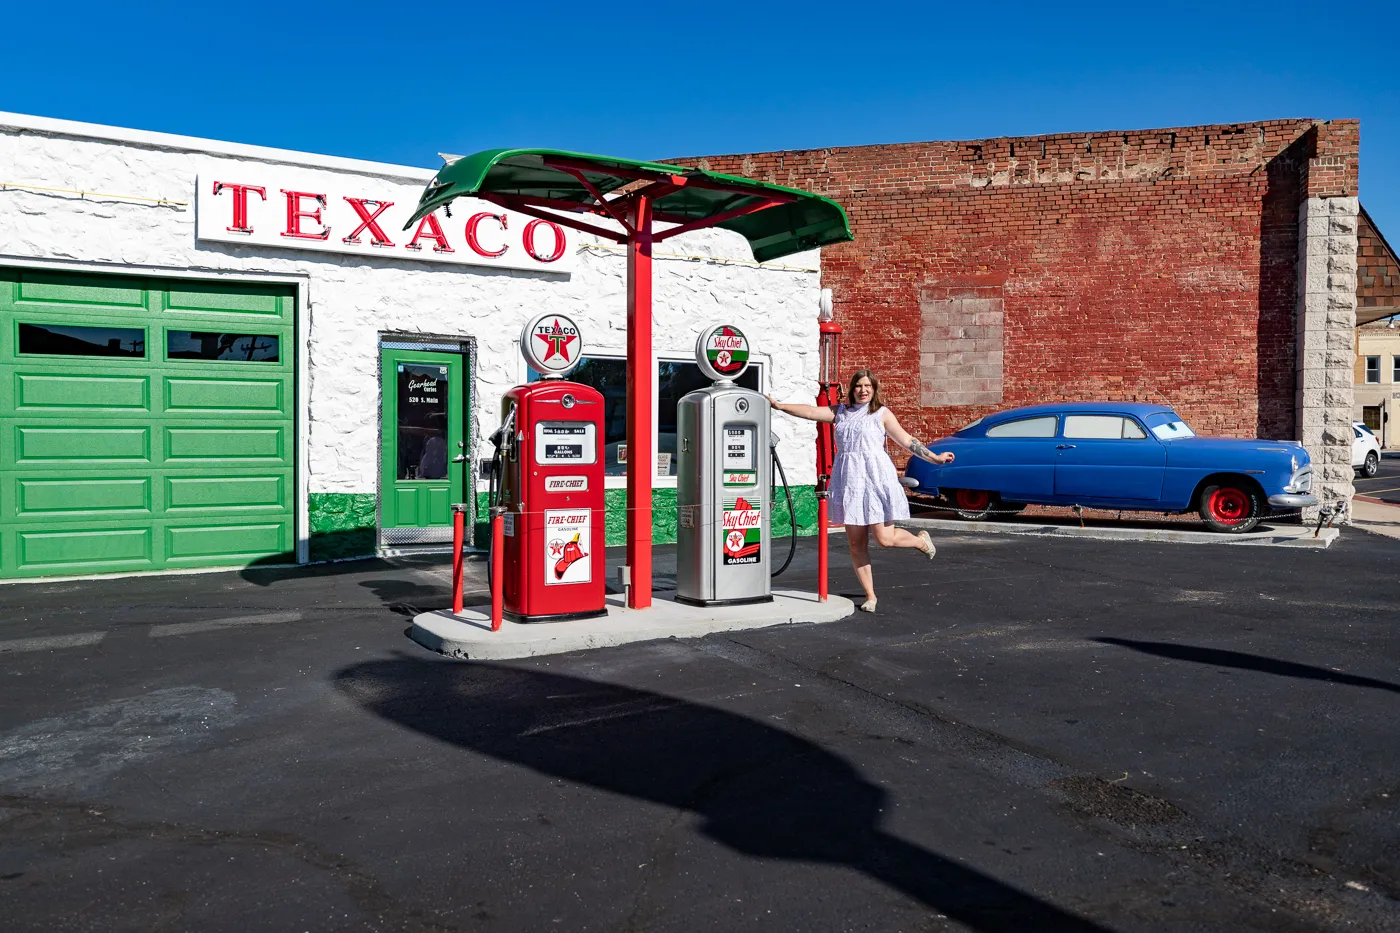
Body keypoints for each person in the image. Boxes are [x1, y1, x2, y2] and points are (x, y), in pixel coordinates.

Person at [768, 370, 954, 613]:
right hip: (849, 481)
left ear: (874, 389)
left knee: (884, 539)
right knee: (856, 544)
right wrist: (780, 406)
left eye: (868, 386)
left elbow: (907, 441)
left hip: (876, 479)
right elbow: (811, 412)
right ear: (852, 388)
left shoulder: (881, 414)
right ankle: (871, 596)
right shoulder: (840, 412)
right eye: (858, 386)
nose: (863, 390)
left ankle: (919, 541)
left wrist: (936, 459)